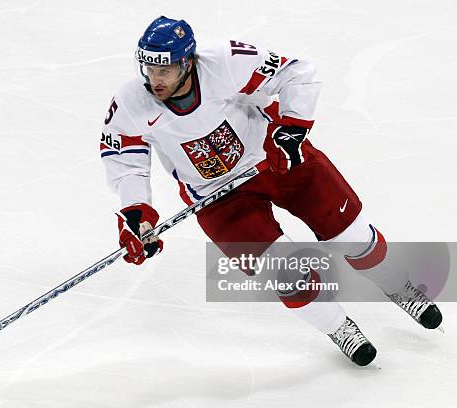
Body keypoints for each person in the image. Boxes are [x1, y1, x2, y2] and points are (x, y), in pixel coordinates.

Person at [100, 15, 442, 366]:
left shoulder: (226, 62)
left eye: (165, 70)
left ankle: (397, 286)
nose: (155, 80)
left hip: (275, 157)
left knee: (353, 237)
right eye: (148, 68)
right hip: (217, 194)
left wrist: (292, 129)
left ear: (187, 62)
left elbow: (297, 73)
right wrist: (136, 213)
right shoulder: (129, 103)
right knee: (288, 275)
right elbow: (125, 158)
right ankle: (339, 327)